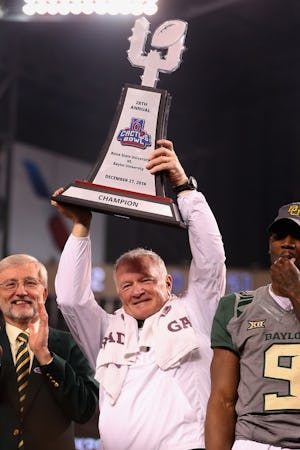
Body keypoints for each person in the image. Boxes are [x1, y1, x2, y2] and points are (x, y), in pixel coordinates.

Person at [52, 138, 226, 450]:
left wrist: (184, 188)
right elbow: (69, 298)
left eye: (145, 280)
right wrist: (81, 226)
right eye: (127, 286)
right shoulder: (106, 330)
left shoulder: (196, 310)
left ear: (168, 283)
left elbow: (211, 259)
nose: (137, 291)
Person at [205, 202, 300, 450]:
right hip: (254, 441)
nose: (288, 243)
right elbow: (222, 400)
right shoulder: (235, 306)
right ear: (270, 245)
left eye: (298, 236)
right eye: (280, 235)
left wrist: (295, 290)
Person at [0, 253, 99, 450]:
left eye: (30, 283)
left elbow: (84, 410)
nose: (21, 291)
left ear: (44, 294)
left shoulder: (71, 344)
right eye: (10, 284)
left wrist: (47, 358)